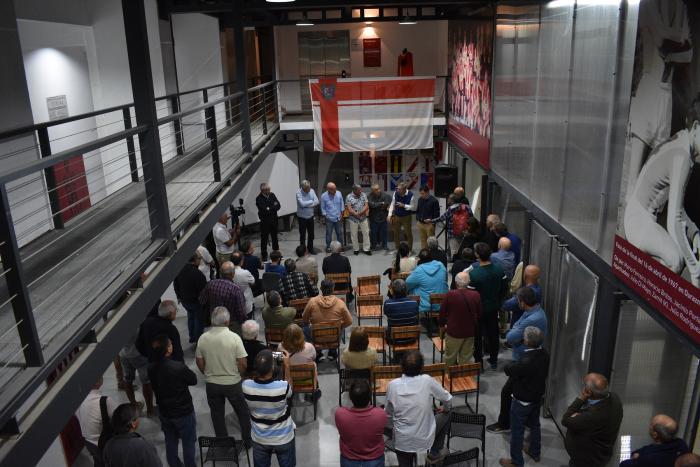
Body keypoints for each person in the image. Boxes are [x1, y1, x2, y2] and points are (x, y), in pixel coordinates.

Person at [624, 99, 700, 286]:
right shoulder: (682, 157)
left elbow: (677, 210)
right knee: (676, 259)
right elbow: (674, 221)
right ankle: (649, 299)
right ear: (696, 127)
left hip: (641, 215)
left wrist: (695, 234)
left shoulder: (681, 142)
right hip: (638, 220)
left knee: (679, 255)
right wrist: (695, 270)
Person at [489, 287, 549, 436]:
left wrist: (515, 333)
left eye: (518, 300)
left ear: (522, 303)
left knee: (507, 391)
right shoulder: (535, 312)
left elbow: (510, 338)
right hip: (527, 358)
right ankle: (526, 421)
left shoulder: (531, 319)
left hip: (524, 361)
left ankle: (505, 424)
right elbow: (516, 330)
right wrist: (516, 331)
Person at [195, 307, 252, 445]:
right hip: (232, 383)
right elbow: (243, 363)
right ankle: (247, 440)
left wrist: (208, 374)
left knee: (217, 415)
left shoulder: (203, 338)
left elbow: (199, 361)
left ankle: (224, 443)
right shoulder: (234, 338)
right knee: (243, 413)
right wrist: (239, 374)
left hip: (212, 385)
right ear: (227, 321)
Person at [385, 350, 452, 466]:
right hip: (424, 438)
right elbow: (448, 399)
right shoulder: (427, 380)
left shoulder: (392, 385)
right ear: (421, 368)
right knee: (449, 412)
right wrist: (445, 408)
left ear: (402, 367)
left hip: (402, 440)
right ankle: (435, 452)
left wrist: (392, 430)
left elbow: (388, 415)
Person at [498, 327, 550, 467]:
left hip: (523, 400)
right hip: (537, 396)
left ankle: (516, 462)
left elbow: (509, 370)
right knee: (535, 424)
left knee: (517, 431)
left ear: (527, 341)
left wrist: (510, 364)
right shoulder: (544, 353)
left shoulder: (526, 360)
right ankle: (535, 451)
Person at [148, 335, 198, 467]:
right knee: (188, 442)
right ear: (168, 349)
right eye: (170, 344)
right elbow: (193, 380)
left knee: (170, 441)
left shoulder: (151, 368)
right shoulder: (178, 367)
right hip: (183, 412)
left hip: (165, 412)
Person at [242, 350, 296, 467]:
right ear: (273, 368)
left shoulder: (245, 386)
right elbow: (290, 391)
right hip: (283, 437)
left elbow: (253, 380)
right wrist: (287, 366)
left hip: (259, 438)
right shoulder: (283, 387)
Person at [562, 373, 623, 467]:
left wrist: (581, 399)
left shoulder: (592, 416)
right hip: (602, 453)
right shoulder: (615, 398)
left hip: (586, 460)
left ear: (588, 392)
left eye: (584, 385)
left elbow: (565, 420)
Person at [469, 242, 509, 370]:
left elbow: (471, 295)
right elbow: (504, 289)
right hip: (493, 309)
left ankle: (478, 362)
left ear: (477, 255)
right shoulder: (499, 270)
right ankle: (493, 360)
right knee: (493, 335)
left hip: (478, 311)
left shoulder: (474, 275)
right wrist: (498, 301)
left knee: (477, 337)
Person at [335, 380, 387, 467]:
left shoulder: (340, 414)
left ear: (350, 397)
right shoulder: (380, 414)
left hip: (349, 460)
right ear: (370, 397)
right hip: (375, 459)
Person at [302, 279, 353, 361]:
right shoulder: (340, 303)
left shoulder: (312, 302)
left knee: (305, 327)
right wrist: (340, 326)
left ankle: (318, 352)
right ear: (333, 288)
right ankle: (332, 351)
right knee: (341, 326)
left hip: (317, 338)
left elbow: (304, 318)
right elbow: (349, 321)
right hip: (334, 338)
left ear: (321, 288)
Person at [438, 271, 481, 365]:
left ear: (456, 282)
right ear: (469, 282)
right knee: (465, 359)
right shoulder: (476, 295)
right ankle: (463, 378)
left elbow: (442, 314)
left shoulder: (450, 295)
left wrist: (442, 327)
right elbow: (479, 314)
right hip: (469, 332)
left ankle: (449, 377)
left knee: (450, 358)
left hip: (453, 332)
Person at [76, 376, 116, 467]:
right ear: (97, 382)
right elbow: (118, 420)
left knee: (98, 461)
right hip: (104, 442)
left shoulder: (78, 400)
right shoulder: (105, 401)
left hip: (88, 442)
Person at [620, 414, 689, 467]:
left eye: (651, 425)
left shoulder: (648, 459)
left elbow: (623, 465)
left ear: (655, 434)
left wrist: (638, 456)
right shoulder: (681, 443)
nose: (649, 426)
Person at [199, 261, 247, 334]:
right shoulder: (236, 290)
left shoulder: (210, 284)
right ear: (233, 274)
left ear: (221, 273)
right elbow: (241, 312)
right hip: (231, 325)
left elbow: (202, 300)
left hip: (215, 322)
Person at [174, 253, 207, 343]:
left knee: (191, 317)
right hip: (196, 302)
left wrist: (178, 297)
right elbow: (203, 291)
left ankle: (192, 337)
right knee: (198, 321)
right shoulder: (197, 274)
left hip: (185, 301)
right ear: (195, 260)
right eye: (199, 258)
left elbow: (176, 284)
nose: (200, 260)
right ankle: (198, 340)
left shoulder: (180, 269)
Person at [405, 249, 448, 319]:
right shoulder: (441, 265)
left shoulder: (419, 270)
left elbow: (407, 283)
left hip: (427, 305)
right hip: (443, 301)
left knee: (412, 288)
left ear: (420, 260)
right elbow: (445, 279)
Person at [119, 335, 155, 417]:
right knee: (146, 381)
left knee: (127, 380)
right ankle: (150, 410)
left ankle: (134, 406)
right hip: (138, 353)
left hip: (123, 353)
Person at [429, 193, 472, 260]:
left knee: (454, 250)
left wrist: (431, 220)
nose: (448, 200)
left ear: (452, 200)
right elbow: (471, 218)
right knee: (462, 247)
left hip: (453, 232)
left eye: (449, 198)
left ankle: (454, 261)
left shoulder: (450, 209)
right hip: (464, 231)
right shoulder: (466, 207)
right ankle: (457, 259)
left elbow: (441, 218)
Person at [384, 279, 420, 343]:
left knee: (385, 329)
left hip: (393, 339)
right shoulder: (414, 303)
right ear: (406, 291)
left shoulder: (388, 304)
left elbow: (386, 314)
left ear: (393, 291)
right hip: (412, 338)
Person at [388, 182, 417, 252]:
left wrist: (404, 206)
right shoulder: (396, 193)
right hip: (397, 216)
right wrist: (389, 214)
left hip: (406, 217)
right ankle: (397, 249)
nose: (397, 190)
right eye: (397, 189)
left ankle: (409, 250)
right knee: (396, 233)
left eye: (399, 189)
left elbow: (413, 207)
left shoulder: (411, 195)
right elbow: (392, 203)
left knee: (408, 233)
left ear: (404, 189)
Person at [256, 182, 281, 262]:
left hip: (274, 220)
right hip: (265, 222)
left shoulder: (272, 195)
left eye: (269, 189)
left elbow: (278, 205)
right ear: (263, 190)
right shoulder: (258, 198)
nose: (269, 191)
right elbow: (263, 210)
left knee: (275, 237)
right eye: (267, 190)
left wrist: (269, 208)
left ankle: (276, 253)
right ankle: (264, 255)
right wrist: (272, 208)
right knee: (264, 238)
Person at [346, 184, 372, 255]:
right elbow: (349, 208)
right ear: (354, 190)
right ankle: (356, 249)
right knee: (354, 234)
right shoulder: (349, 196)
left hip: (363, 218)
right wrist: (355, 214)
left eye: (361, 189)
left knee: (366, 233)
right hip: (353, 219)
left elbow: (366, 205)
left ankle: (366, 249)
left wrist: (360, 212)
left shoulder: (363, 195)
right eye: (359, 190)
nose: (361, 191)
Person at [296, 180, 319, 254]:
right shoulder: (298, 193)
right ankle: (302, 251)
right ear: (303, 188)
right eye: (307, 188)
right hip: (302, 217)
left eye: (309, 188)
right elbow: (301, 204)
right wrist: (311, 201)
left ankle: (310, 248)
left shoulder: (312, 191)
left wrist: (306, 205)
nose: (309, 190)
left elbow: (317, 201)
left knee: (311, 234)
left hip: (310, 217)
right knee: (302, 235)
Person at [321, 182, 345, 253]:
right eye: (333, 190)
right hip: (329, 218)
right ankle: (328, 247)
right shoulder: (323, 196)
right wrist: (326, 216)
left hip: (338, 217)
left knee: (339, 233)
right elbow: (322, 208)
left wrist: (342, 214)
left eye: (335, 189)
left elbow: (342, 204)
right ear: (328, 189)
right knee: (329, 233)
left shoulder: (339, 193)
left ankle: (341, 246)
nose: (335, 191)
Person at [368, 184, 392, 251]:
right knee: (373, 233)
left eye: (378, 188)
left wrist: (378, 205)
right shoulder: (369, 196)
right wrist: (381, 203)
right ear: (372, 191)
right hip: (373, 218)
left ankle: (385, 245)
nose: (378, 190)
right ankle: (373, 246)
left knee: (384, 233)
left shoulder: (385, 195)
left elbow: (387, 203)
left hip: (383, 217)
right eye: (376, 190)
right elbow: (371, 205)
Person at [231, 251, 255, 319]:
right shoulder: (245, 273)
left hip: (233, 302)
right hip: (246, 301)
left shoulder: (228, 272)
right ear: (241, 261)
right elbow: (253, 282)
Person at [416, 185, 440, 250]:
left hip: (429, 224)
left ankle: (432, 254)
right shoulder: (420, 199)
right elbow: (418, 210)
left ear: (427, 192)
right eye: (420, 193)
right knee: (423, 240)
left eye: (423, 193)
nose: (421, 195)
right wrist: (418, 219)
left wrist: (431, 221)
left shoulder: (434, 201)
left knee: (431, 241)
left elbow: (437, 214)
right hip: (420, 223)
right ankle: (424, 254)